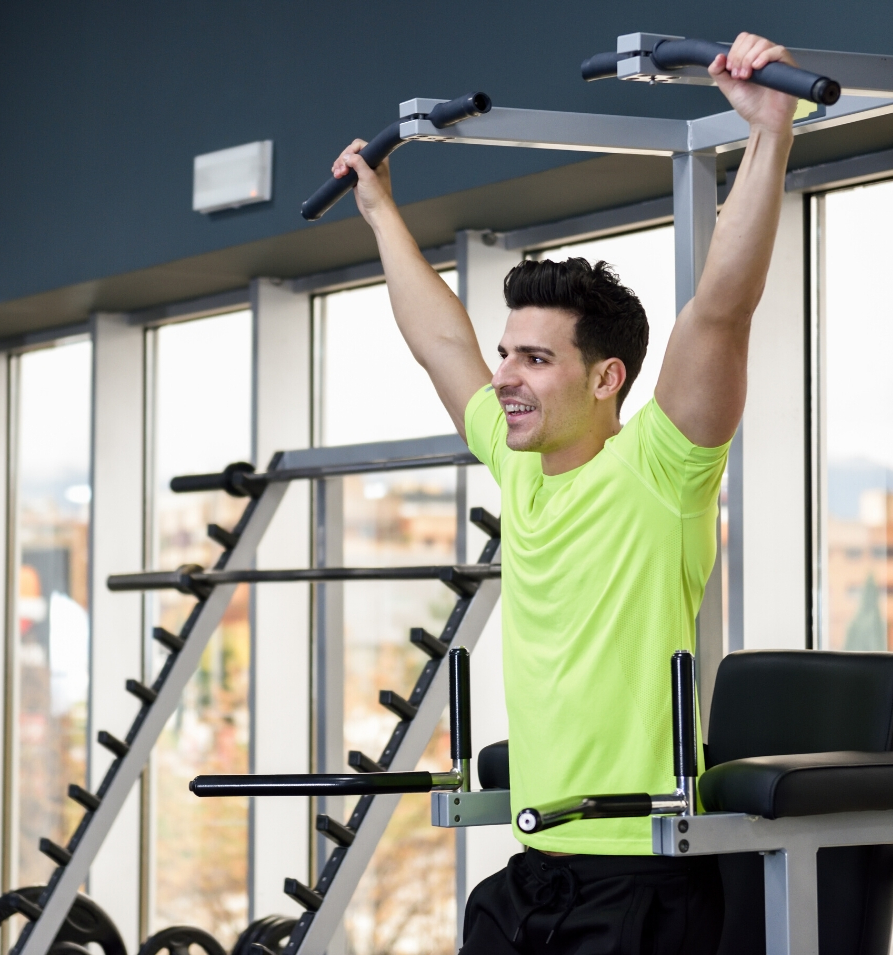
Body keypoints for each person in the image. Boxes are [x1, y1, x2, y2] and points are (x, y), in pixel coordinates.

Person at [327, 33, 800, 955]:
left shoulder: (662, 470)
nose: (503, 375)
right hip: (531, 870)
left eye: (534, 359)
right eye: (507, 353)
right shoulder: (515, 465)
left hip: (646, 875)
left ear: (605, 379)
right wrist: (380, 211)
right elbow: (439, 342)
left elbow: (720, 309)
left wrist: (770, 131)